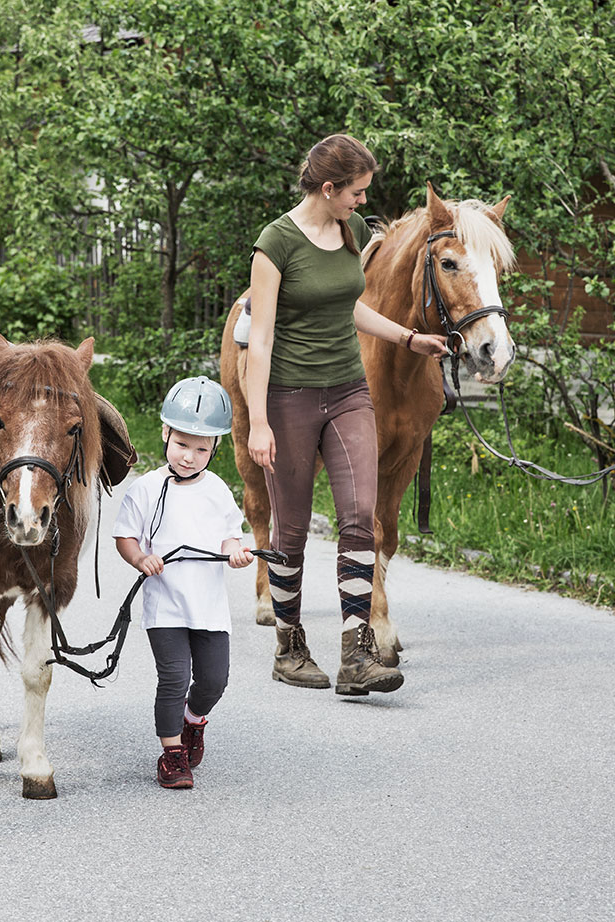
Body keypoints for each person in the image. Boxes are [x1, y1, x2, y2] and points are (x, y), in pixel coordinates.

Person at [243, 133, 449, 695]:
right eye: (357, 192)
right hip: (288, 396)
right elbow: (259, 340)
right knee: (290, 527)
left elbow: (349, 303)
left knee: (360, 515)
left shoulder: (350, 231)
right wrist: (259, 421)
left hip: (349, 392)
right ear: (329, 188)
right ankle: (289, 645)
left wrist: (410, 339)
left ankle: (357, 653)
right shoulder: (275, 244)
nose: (364, 202)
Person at [112, 376, 255, 789]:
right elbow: (125, 536)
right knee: (174, 677)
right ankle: (172, 755)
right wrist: (140, 558)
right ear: (164, 433)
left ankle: (194, 720)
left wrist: (236, 552)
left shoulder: (217, 491)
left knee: (214, 679)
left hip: (208, 606)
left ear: (215, 449)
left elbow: (230, 534)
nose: (189, 457)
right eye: (181, 445)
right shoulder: (146, 488)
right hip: (166, 606)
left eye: (200, 449)